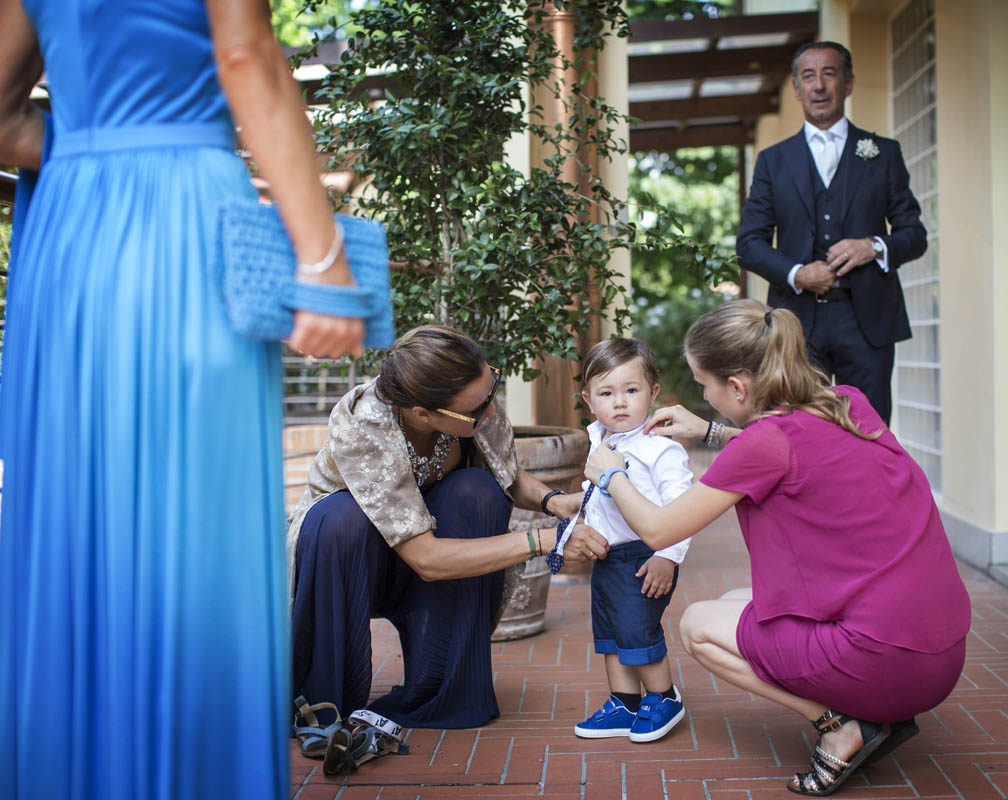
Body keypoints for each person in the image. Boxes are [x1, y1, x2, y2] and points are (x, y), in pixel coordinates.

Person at [0, 1, 365, 798]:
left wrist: (86, 151)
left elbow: (1, 108)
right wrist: (323, 259)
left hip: (70, 227)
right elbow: (247, 57)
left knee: (77, 513)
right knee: (198, 519)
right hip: (179, 221)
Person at [584, 300, 970, 797]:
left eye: (705, 386)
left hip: (890, 660)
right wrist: (710, 431)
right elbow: (789, 447)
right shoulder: (847, 400)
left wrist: (610, 474)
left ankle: (844, 726)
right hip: (941, 648)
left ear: (739, 387)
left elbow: (658, 530)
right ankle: (871, 710)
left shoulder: (762, 444)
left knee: (698, 626)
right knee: (731, 603)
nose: (703, 395)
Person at [288, 325, 609, 750]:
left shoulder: (474, 399)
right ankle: (323, 702)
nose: (491, 413)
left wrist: (556, 503)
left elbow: (506, 473)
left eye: (490, 390)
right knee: (342, 517)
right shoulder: (363, 425)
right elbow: (425, 557)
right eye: (478, 410)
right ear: (422, 413)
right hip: (351, 557)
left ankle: (441, 690)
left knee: (476, 489)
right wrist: (546, 541)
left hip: (434, 545)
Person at [736, 41, 927, 425]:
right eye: (809, 76)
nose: (819, 86)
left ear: (848, 84)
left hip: (868, 320)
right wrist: (797, 273)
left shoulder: (883, 153)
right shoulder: (773, 161)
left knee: (869, 430)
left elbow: (914, 234)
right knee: (803, 429)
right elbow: (749, 244)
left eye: (829, 74)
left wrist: (874, 246)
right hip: (797, 323)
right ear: (796, 88)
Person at [564, 338, 693, 743]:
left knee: (638, 629)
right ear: (589, 400)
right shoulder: (599, 441)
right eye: (606, 393)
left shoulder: (661, 450)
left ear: (653, 393)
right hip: (607, 557)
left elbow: (683, 507)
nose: (619, 402)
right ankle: (624, 702)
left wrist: (667, 557)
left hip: (647, 555)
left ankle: (663, 697)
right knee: (610, 632)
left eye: (631, 390)